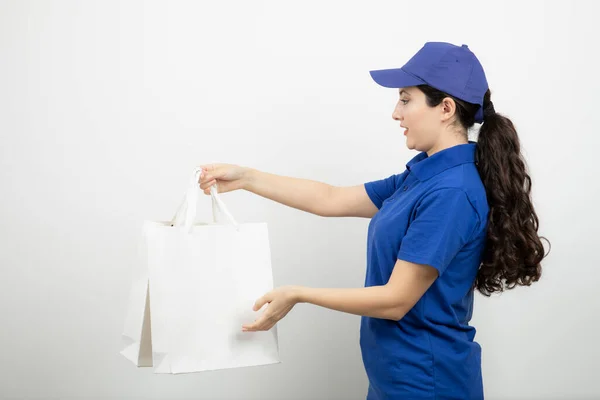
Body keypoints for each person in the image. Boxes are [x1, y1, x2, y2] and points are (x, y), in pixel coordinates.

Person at [197, 42, 549, 400]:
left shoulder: (452, 192)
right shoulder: (423, 177)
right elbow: (329, 198)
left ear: (445, 108)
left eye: (405, 99)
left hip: (427, 384)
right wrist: (246, 178)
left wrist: (299, 294)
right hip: (394, 380)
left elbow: (396, 300)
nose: (396, 113)